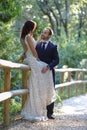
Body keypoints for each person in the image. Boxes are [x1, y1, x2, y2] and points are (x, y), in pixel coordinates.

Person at [20, 20, 55, 122]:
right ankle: (43, 98)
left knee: (44, 70)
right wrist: (37, 58)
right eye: (34, 27)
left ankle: (44, 97)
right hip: (32, 59)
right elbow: (33, 50)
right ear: (31, 28)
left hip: (30, 58)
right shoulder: (28, 37)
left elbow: (32, 46)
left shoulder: (25, 37)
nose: (34, 29)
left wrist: (39, 38)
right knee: (45, 69)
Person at [36, 27, 59, 119]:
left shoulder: (53, 46)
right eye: (43, 32)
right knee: (40, 90)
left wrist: (49, 67)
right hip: (39, 73)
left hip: (49, 72)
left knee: (50, 90)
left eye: (45, 33)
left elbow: (57, 60)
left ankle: (50, 113)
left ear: (49, 35)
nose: (43, 34)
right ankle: (40, 110)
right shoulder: (37, 45)